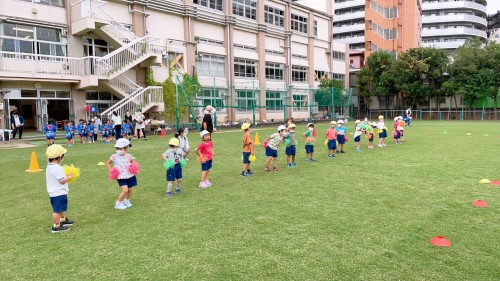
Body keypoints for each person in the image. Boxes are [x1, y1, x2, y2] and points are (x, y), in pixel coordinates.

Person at [45, 144, 74, 233]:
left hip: (54, 192)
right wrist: (69, 177)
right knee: (56, 210)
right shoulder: (57, 168)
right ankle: (56, 226)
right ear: (60, 156)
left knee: (59, 208)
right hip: (58, 192)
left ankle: (63, 220)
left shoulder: (49, 166)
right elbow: (62, 181)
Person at [107, 138, 136, 210]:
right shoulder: (114, 156)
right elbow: (108, 163)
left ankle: (126, 200)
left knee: (129, 189)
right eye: (117, 148)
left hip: (129, 175)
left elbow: (133, 162)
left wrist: (133, 167)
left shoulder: (128, 156)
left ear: (126, 148)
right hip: (120, 176)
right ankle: (118, 203)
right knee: (125, 190)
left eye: (120, 148)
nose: (118, 150)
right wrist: (110, 169)